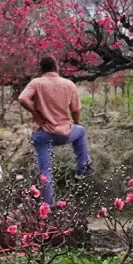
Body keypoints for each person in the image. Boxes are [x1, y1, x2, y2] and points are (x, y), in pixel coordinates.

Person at [17, 56, 91, 206]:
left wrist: (35, 113)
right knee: (81, 131)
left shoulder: (36, 83)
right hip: (64, 134)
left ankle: (49, 206)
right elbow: (76, 109)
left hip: (43, 134)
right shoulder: (68, 84)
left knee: (45, 171)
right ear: (56, 67)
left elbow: (22, 98)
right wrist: (75, 123)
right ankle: (82, 168)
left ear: (41, 70)